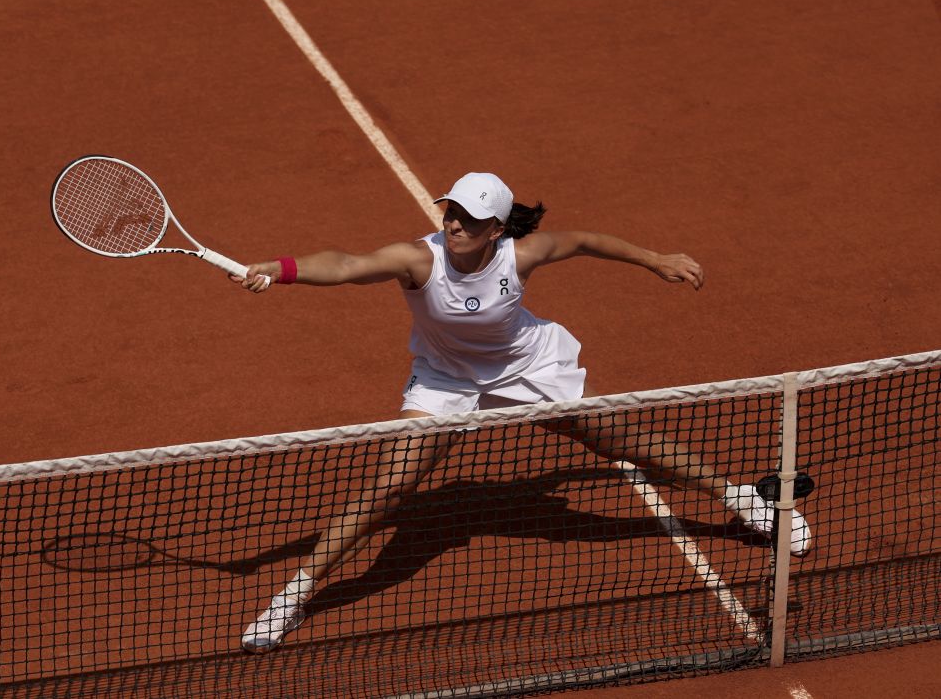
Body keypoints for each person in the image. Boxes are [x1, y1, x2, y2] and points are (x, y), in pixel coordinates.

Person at [231, 172, 812, 654]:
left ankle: (744, 499)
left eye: (468, 218)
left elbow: (584, 240)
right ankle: (295, 593)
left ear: (496, 229)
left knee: (619, 442)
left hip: (526, 369)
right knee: (392, 487)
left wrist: (655, 258)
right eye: (450, 210)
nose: (453, 223)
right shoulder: (418, 261)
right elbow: (346, 264)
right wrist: (281, 270)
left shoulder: (520, 255)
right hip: (444, 380)